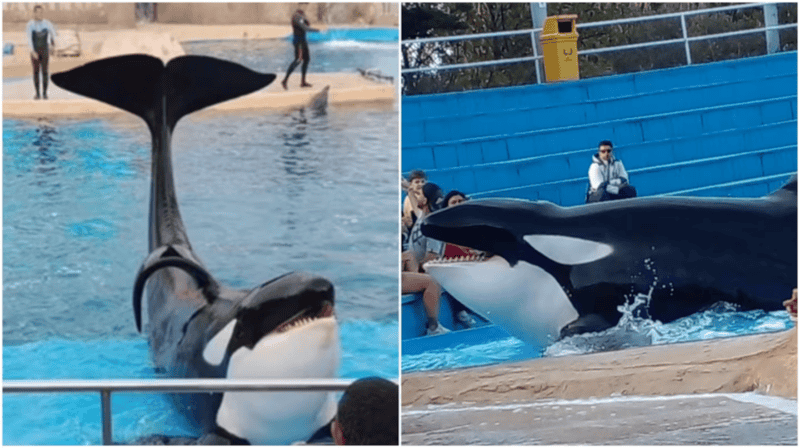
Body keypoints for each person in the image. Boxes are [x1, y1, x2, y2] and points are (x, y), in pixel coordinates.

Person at [281, 9, 319, 90]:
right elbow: (305, 28)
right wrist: (316, 30)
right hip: (299, 43)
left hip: (303, 42)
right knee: (298, 60)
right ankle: (285, 80)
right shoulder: (296, 17)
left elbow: (307, 24)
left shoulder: (300, 17)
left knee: (306, 60)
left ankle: (303, 82)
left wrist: (305, 20)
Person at [26, 5, 57, 100]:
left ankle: (45, 93)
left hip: (44, 50)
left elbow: (53, 35)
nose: (40, 14)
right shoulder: (30, 24)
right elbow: (29, 39)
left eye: (41, 12)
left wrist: (52, 46)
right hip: (35, 51)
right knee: (36, 72)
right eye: (38, 12)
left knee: (45, 72)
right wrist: (32, 51)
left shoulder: (47, 23)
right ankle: (37, 94)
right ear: (34, 13)